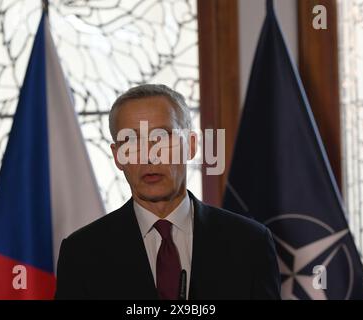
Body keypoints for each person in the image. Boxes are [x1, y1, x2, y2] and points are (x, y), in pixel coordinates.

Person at [54, 84, 281, 300]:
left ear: (191, 145)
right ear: (117, 156)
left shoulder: (250, 243)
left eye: (162, 138)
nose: (150, 156)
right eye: (131, 142)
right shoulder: (81, 254)